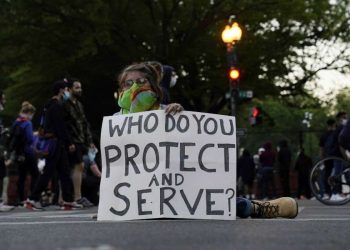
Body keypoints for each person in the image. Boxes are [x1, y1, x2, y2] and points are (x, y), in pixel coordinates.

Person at [113, 62, 298, 219]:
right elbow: (118, 167)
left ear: (153, 86)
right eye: (128, 84)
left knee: (216, 203)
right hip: (142, 197)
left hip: (180, 186)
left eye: (140, 82)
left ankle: (258, 208)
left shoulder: (167, 112)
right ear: (120, 90)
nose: (134, 87)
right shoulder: (115, 122)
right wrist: (113, 208)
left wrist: (178, 113)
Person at [25, 80, 82, 210]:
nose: (67, 92)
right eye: (66, 89)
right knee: (49, 172)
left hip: (54, 143)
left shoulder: (48, 105)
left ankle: (67, 200)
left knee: (64, 171)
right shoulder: (56, 106)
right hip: (56, 143)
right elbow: (60, 126)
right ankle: (32, 199)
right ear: (61, 90)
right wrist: (70, 142)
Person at [63, 78, 95, 208]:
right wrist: (69, 141)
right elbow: (65, 126)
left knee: (75, 167)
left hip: (80, 140)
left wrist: (89, 141)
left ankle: (70, 197)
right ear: (69, 89)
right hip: (73, 141)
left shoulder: (79, 105)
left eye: (80, 87)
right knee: (78, 166)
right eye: (76, 87)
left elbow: (84, 124)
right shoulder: (65, 105)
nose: (79, 90)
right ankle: (77, 197)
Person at [10, 102, 39, 204]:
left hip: (19, 153)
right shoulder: (27, 123)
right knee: (35, 174)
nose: (32, 117)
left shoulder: (16, 122)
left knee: (21, 176)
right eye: (32, 114)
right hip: (28, 152)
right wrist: (34, 134)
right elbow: (30, 139)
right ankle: (32, 197)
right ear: (29, 113)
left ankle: (21, 198)